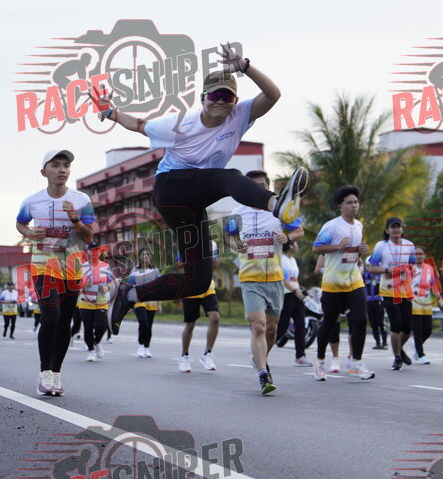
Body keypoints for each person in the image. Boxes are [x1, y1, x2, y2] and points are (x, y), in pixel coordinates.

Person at [97, 45, 308, 335]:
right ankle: (275, 204)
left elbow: (273, 95)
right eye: (215, 95)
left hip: (194, 203)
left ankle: (131, 294)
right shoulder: (179, 124)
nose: (221, 101)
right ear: (203, 98)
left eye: (228, 97)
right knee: (229, 177)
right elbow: (139, 125)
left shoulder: (240, 116)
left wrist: (245, 67)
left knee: (197, 282)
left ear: (235, 102)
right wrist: (110, 112)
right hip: (170, 189)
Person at [16, 149, 95, 396]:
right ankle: (45, 372)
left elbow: (89, 236)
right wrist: (30, 233)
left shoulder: (81, 200)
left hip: (72, 267)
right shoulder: (32, 201)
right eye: (56, 165)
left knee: (64, 322)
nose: (62, 170)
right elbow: (20, 222)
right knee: (51, 317)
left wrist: (76, 221)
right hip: (43, 265)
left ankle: (56, 373)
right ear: (44, 172)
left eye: (66, 165)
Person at [226, 170, 304, 394]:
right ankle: (263, 373)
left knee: (272, 330)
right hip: (250, 278)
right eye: (253, 186)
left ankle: (259, 358)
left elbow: (299, 230)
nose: (258, 190)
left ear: (268, 188)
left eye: (262, 185)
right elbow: (228, 236)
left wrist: (287, 237)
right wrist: (236, 245)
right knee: (258, 325)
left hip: (275, 279)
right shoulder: (237, 212)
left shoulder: (279, 210)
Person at [312, 186, 374, 381]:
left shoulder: (359, 226)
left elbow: (354, 253)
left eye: (356, 202)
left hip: (354, 280)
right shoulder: (332, 226)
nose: (354, 206)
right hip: (333, 282)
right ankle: (319, 361)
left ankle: (357, 361)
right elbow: (316, 248)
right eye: (349, 203)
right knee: (329, 322)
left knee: (361, 319)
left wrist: (362, 251)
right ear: (340, 206)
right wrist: (337, 246)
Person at [368, 216, 416, 371]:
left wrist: (409, 271)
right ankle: (397, 358)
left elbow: (412, 266)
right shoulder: (381, 246)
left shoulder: (409, 245)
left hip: (405, 290)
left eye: (398, 227)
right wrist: (388, 270)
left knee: (407, 328)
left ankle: (399, 349)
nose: (396, 230)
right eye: (393, 227)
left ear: (402, 229)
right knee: (396, 326)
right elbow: (371, 267)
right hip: (388, 290)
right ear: (387, 230)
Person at [179, 241, 220, 372]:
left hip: (208, 287)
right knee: (190, 325)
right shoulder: (186, 242)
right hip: (190, 288)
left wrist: (212, 260)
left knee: (215, 317)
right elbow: (178, 265)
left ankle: (207, 354)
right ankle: (184, 356)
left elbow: (216, 264)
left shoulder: (212, 243)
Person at [276, 240, 312, 367]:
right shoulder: (281, 259)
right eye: (296, 244)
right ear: (290, 246)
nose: (297, 246)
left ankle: (300, 357)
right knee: (283, 325)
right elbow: (281, 278)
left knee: (300, 325)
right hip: (287, 294)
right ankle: (262, 347)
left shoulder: (293, 260)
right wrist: (294, 290)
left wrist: (299, 290)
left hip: (297, 294)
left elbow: (294, 279)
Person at [77, 247, 113, 362]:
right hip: (86, 301)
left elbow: (111, 281)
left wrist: (107, 288)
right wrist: (84, 283)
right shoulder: (83, 267)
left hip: (101, 301)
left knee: (101, 326)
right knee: (88, 327)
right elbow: (76, 283)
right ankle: (91, 351)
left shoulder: (105, 266)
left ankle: (97, 342)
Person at [411, 245, 443, 364]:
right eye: (416, 254)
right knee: (418, 330)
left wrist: (440, 301)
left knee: (428, 330)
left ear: (424, 255)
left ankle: (417, 345)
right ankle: (420, 355)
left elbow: (434, 286)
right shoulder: (409, 269)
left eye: (420, 254)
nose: (418, 256)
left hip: (426, 304)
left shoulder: (429, 268)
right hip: (413, 303)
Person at [130, 248, 161, 359]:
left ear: (150, 257)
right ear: (139, 257)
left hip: (152, 301)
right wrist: (130, 304)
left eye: (148, 254)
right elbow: (130, 287)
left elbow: (159, 288)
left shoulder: (155, 271)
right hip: (139, 301)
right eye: (143, 254)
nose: (146, 256)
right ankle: (141, 344)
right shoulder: (135, 270)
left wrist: (159, 304)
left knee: (149, 325)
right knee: (143, 322)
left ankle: (146, 347)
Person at [363, 267, 387, 350]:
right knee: (373, 323)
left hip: (379, 301)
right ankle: (377, 343)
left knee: (381, 322)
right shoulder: (365, 275)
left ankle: (384, 342)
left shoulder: (381, 275)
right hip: (369, 301)